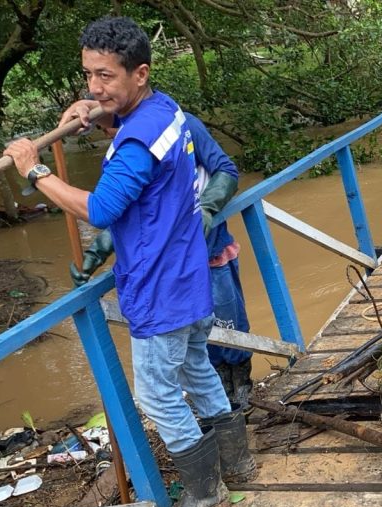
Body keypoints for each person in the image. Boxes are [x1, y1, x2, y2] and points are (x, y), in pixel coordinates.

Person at [3, 16, 254, 507]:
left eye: (105, 78)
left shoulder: (138, 142)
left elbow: (99, 208)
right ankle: (238, 465)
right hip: (188, 275)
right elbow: (135, 144)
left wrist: (34, 169)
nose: (94, 88)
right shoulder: (166, 112)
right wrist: (95, 117)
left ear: (139, 73)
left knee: (159, 395)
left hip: (159, 287)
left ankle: (207, 495)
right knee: (197, 371)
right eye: (88, 76)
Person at [71, 113, 256, 410]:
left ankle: (242, 391)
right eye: (103, 129)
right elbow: (131, 212)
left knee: (229, 326)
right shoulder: (127, 149)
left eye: (110, 126)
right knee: (198, 349)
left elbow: (226, 170)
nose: (108, 133)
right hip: (170, 269)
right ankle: (224, 411)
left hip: (209, 252)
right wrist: (95, 254)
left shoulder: (178, 124)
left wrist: (207, 209)